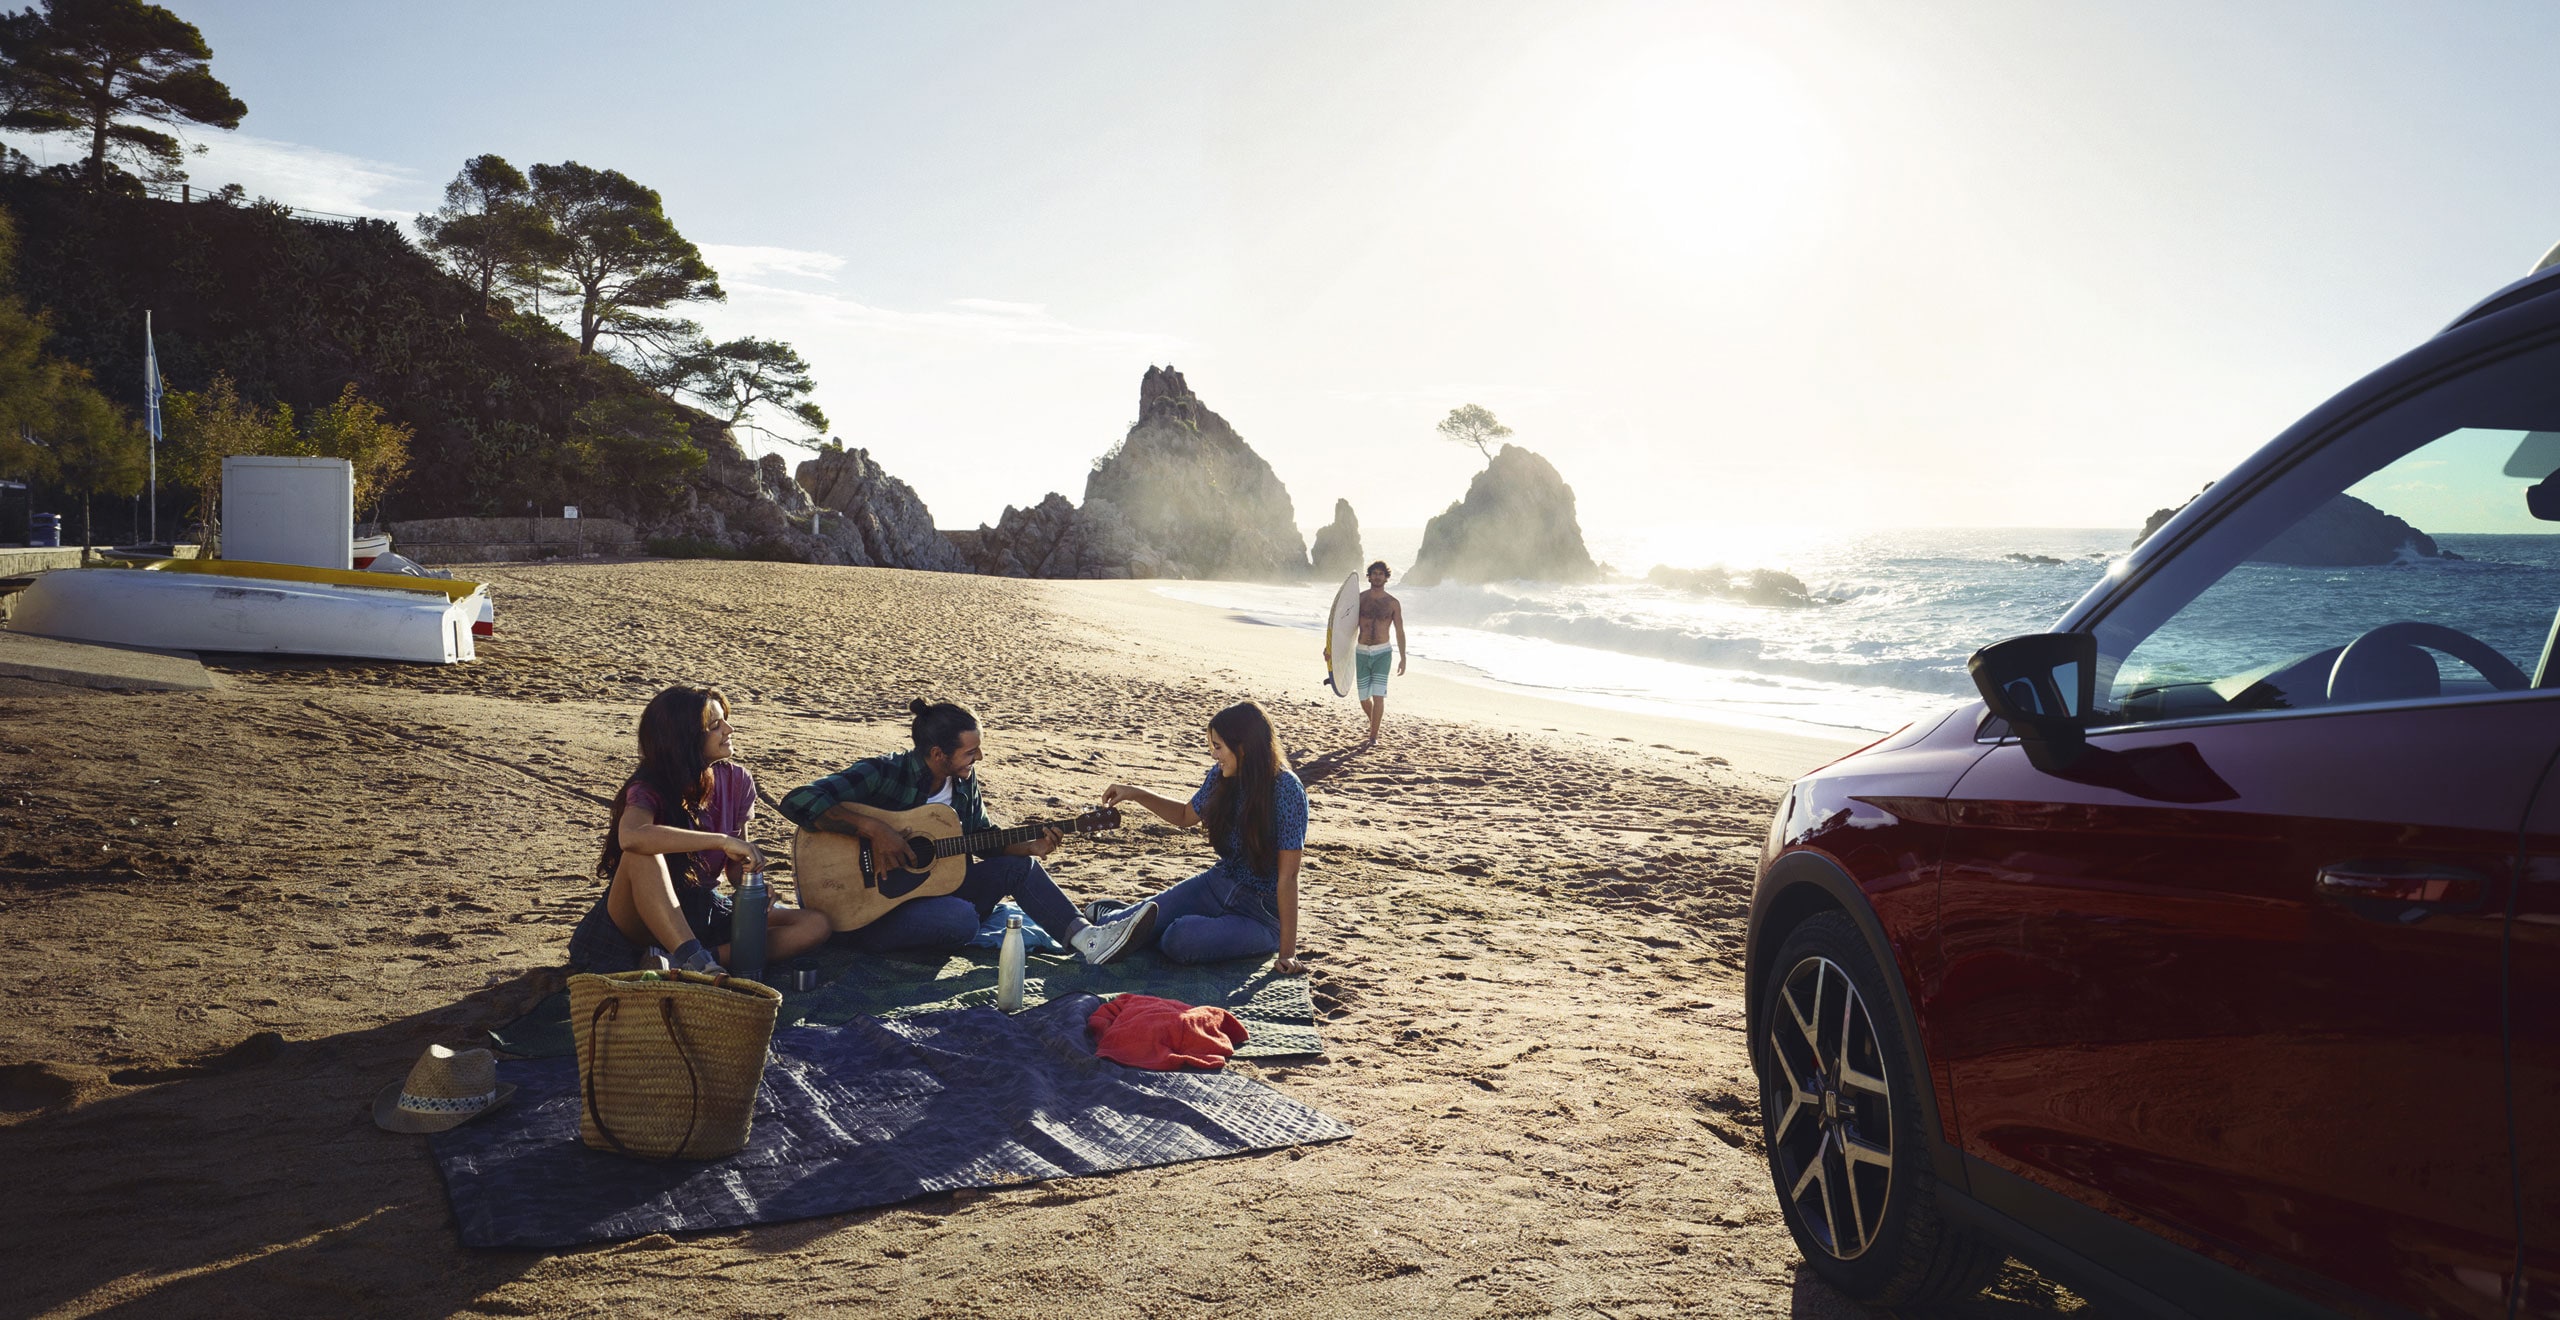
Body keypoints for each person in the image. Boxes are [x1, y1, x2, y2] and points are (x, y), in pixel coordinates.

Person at [779, 698, 1155, 963]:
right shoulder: (885, 772)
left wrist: (1030, 847)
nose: (978, 759)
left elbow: (983, 839)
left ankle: (1087, 939)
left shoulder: (962, 783)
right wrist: (873, 828)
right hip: (866, 914)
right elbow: (798, 800)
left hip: (930, 896)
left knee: (1017, 871)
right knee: (959, 920)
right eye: (970, 752)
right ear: (938, 754)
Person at [568, 685, 833, 976]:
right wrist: (720, 841)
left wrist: (752, 884)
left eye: (726, 720)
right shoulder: (648, 786)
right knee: (642, 854)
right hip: (640, 915)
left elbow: (734, 867)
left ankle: (682, 961)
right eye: (715, 726)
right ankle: (699, 963)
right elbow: (631, 836)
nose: (729, 730)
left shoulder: (737, 780)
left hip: (701, 909)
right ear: (685, 738)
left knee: (814, 925)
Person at [1096, 701, 1309, 971]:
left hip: (1259, 914)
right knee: (1111, 927)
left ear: (1242, 747)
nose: (1214, 755)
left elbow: (1288, 877)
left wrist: (1287, 953)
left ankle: (1153, 928)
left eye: (1218, 747)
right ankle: (1120, 914)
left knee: (1179, 939)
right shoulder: (1221, 776)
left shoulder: (1287, 790)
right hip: (1215, 884)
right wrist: (1136, 793)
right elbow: (1186, 815)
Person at [1353, 560, 1408, 744]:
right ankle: (1374, 722)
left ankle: (1373, 736)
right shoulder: (1359, 599)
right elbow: (1344, 627)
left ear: (1386, 577)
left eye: (1380, 574)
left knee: (1378, 696)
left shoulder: (1393, 603)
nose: (1377, 576)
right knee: (1363, 698)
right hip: (1361, 651)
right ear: (1368, 576)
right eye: (1374, 573)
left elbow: (1400, 630)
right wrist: (1331, 648)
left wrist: (1403, 657)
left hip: (1382, 653)